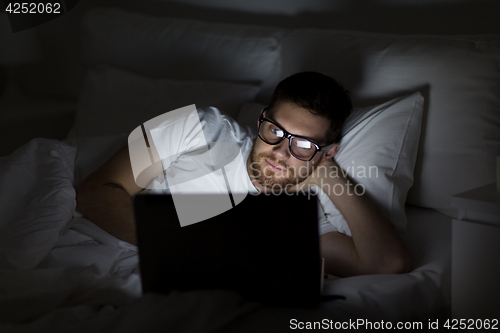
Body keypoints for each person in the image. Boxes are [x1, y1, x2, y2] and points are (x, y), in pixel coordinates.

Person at [76, 72, 410, 277]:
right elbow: (96, 191)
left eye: (303, 145)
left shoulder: (299, 212)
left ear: (327, 153)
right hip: (84, 242)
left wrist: (330, 177)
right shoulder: (199, 126)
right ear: (262, 119)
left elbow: (386, 264)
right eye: (275, 131)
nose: (280, 152)